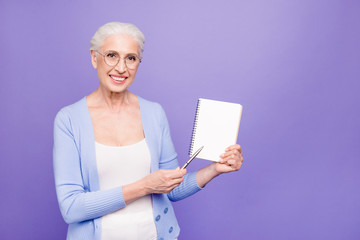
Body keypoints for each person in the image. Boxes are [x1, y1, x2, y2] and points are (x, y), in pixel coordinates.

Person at [53, 22, 244, 240]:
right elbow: (71, 208)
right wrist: (144, 186)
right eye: (112, 55)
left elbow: (171, 189)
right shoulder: (69, 119)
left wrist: (215, 169)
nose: (121, 68)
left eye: (131, 58)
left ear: (138, 63)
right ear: (94, 57)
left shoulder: (154, 113)